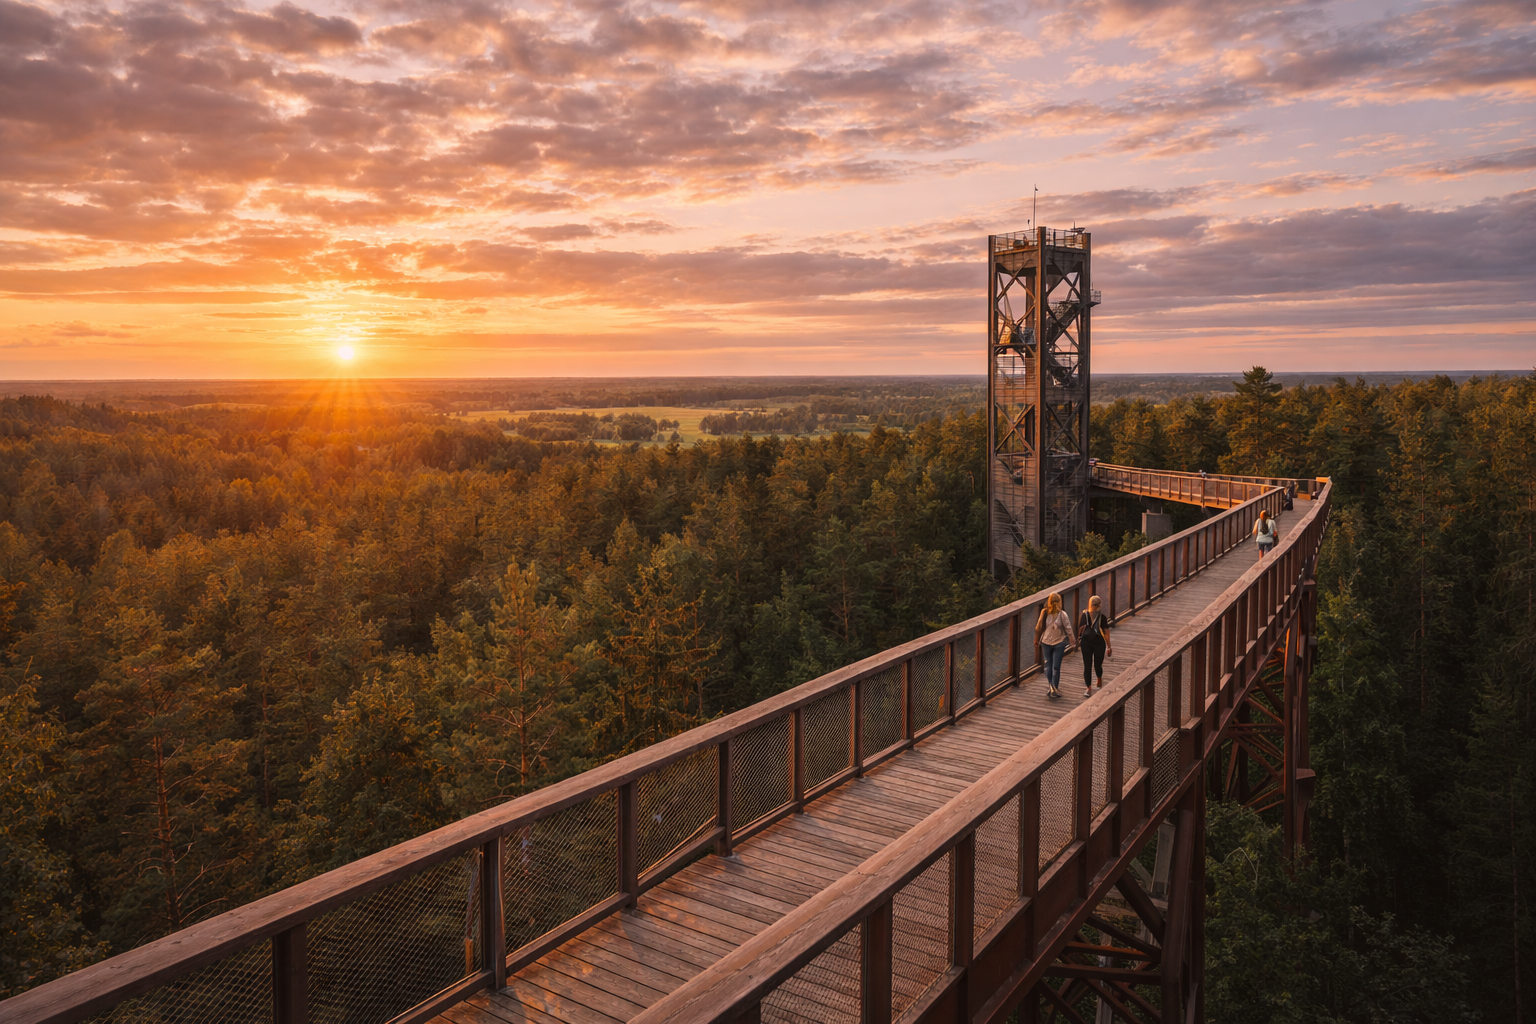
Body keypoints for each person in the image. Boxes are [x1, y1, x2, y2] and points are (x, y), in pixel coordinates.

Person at [1035, 592, 1075, 699]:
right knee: (1049, 665)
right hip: (1046, 642)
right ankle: (1052, 687)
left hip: (1059, 642)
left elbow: (1068, 628)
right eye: (1054, 602)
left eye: (1056, 602)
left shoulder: (1062, 614)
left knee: (1056, 666)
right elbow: (1039, 627)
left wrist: (1072, 640)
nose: (1055, 604)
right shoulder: (1044, 613)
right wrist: (1036, 639)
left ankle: (1054, 688)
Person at [1078, 595, 1112, 696]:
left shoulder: (1085, 615)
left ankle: (1090, 687)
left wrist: (1078, 640)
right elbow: (1106, 633)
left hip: (1086, 642)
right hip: (1099, 643)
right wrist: (1109, 646)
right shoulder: (1102, 617)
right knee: (1096, 664)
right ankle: (1096, 681)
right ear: (1099, 605)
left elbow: (1080, 629)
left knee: (1087, 665)